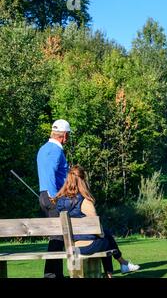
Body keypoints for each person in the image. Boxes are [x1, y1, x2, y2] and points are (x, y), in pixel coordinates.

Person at [55, 165, 140, 278]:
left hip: (70, 247)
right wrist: (103, 234)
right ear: (82, 180)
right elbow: (98, 230)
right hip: (86, 247)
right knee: (106, 236)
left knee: (105, 236)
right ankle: (118, 267)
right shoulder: (85, 202)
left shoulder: (59, 202)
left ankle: (119, 267)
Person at [37, 119, 71, 278]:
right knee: (58, 237)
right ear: (64, 136)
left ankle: (55, 274)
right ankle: (51, 275)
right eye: (68, 135)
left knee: (57, 236)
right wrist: (53, 197)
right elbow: (50, 173)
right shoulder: (55, 150)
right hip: (52, 196)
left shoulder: (44, 148)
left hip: (46, 195)